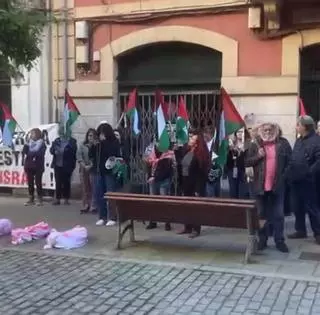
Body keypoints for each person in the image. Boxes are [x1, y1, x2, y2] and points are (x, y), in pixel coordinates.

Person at [245, 122, 292, 253]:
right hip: (259, 187)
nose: (267, 132)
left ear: (276, 131)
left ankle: (279, 241)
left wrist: (283, 178)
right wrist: (258, 156)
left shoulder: (283, 143)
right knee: (261, 214)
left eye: (270, 130)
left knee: (278, 215)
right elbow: (247, 162)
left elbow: (290, 163)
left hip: (277, 186)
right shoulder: (255, 144)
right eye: (264, 130)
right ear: (260, 131)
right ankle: (263, 240)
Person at [287, 116, 320, 244]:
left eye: (298, 125)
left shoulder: (316, 141)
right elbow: (294, 157)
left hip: (309, 182)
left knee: (312, 208)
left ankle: (318, 233)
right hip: (295, 180)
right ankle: (300, 230)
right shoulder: (299, 140)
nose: (296, 127)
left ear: (304, 126)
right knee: (297, 206)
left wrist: (309, 172)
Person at [178, 131, 210, 238]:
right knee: (186, 206)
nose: (190, 140)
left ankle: (196, 229)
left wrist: (198, 189)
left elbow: (202, 173)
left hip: (196, 184)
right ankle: (187, 227)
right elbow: (182, 164)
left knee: (195, 207)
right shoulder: (187, 150)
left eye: (192, 139)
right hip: (186, 183)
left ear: (197, 143)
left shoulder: (200, 154)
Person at [90, 123, 121, 226]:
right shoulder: (98, 144)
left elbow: (112, 154)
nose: (101, 135)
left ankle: (112, 217)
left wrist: (104, 143)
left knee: (110, 194)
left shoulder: (114, 142)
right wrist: (94, 146)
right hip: (98, 171)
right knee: (99, 194)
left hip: (109, 172)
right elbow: (92, 155)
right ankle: (102, 216)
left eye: (103, 133)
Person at [144, 143, 175, 231]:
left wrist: (155, 177)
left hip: (163, 180)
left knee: (164, 201)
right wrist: (149, 176)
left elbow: (167, 169)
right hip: (153, 180)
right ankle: (153, 221)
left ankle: (167, 222)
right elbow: (147, 164)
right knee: (152, 201)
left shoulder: (168, 153)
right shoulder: (150, 150)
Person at [50, 125, 77, 205]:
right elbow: (51, 150)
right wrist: (54, 152)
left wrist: (65, 151)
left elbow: (73, 151)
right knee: (58, 181)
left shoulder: (72, 141)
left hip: (67, 164)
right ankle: (57, 199)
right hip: (58, 164)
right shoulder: (57, 140)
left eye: (64, 132)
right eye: (61, 132)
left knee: (66, 182)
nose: (63, 133)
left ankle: (66, 198)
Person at [22, 128, 46, 206]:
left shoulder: (42, 143)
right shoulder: (29, 143)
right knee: (30, 183)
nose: (31, 135)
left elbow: (40, 154)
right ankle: (31, 198)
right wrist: (26, 144)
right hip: (29, 165)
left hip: (38, 166)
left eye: (33, 133)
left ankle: (40, 199)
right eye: (31, 134)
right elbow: (24, 152)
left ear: (37, 134)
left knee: (38, 182)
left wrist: (30, 153)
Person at [77, 128, 98, 214]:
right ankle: (86, 204)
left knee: (93, 187)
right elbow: (79, 156)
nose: (90, 137)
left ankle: (93, 206)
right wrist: (84, 165)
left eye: (92, 136)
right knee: (85, 187)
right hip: (83, 168)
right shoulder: (82, 145)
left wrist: (90, 165)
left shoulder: (96, 145)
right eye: (89, 135)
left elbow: (96, 157)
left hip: (92, 168)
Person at [226, 128, 249, 199]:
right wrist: (230, 149)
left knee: (242, 192)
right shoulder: (231, 144)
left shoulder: (247, 144)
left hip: (243, 170)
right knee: (233, 191)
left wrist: (242, 151)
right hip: (232, 169)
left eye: (242, 132)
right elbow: (227, 159)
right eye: (238, 132)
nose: (240, 133)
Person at [203, 126, 221, 197]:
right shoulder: (202, 146)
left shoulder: (216, 145)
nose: (205, 136)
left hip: (216, 174)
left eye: (206, 134)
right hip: (207, 178)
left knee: (217, 197)